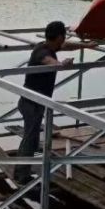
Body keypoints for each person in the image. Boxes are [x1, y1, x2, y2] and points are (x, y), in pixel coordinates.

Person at [14, 20, 90, 185]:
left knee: (31, 138)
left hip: (33, 101)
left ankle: (24, 168)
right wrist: (62, 64)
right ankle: (21, 175)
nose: (64, 41)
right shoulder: (43, 53)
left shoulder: (46, 46)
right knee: (29, 138)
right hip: (32, 104)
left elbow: (67, 46)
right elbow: (49, 62)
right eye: (63, 37)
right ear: (60, 37)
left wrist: (86, 45)